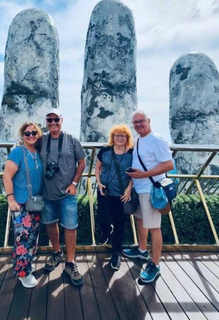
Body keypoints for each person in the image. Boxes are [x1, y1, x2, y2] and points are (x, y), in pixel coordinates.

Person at [37, 108, 86, 286]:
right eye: (49, 120)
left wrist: (74, 184)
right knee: (50, 224)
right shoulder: (41, 140)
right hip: (47, 191)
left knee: (70, 227)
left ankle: (70, 262)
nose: (53, 123)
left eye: (56, 119)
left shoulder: (72, 140)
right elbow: (27, 147)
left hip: (67, 192)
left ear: (62, 120)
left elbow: (82, 162)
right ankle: (57, 252)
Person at [124, 110, 174, 283]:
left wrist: (144, 174)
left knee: (154, 227)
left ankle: (155, 264)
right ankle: (142, 249)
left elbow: (169, 164)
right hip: (139, 188)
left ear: (149, 120)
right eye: (135, 122)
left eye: (141, 121)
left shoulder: (157, 139)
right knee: (140, 220)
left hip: (151, 189)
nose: (138, 124)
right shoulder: (137, 140)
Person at [3, 122, 44, 288]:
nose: (31, 135)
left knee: (32, 238)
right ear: (22, 136)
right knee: (23, 239)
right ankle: (23, 273)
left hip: (35, 203)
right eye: (27, 134)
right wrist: (11, 199)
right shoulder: (17, 153)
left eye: (34, 133)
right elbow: (7, 176)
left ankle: (26, 264)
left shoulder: (38, 152)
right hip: (20, 204)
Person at [95, 124, 134, 270]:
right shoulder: (105, 150)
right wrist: (98, 182)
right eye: (117, 135)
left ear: (127, 138)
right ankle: (106, 231)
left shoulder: (131, 153)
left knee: (120, 224)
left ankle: (116, 253)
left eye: (122, 136)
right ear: (113, 137)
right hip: (105, 191)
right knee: (103, 219)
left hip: (121, 194)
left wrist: (129, 189)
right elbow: (97, 167)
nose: (119, 138)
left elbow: (134, 173)